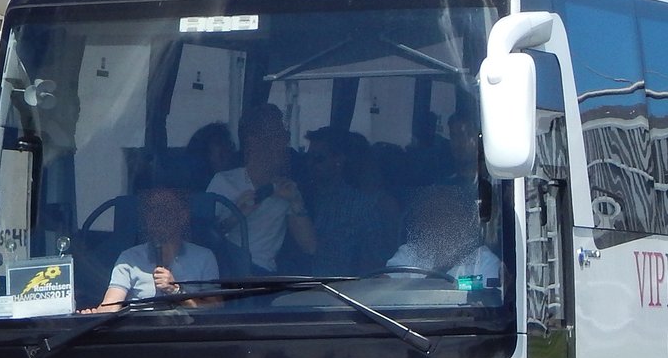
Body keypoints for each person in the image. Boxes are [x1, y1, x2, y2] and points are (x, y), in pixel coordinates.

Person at [206, 103, 316, 273]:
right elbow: (204, 238)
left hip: (264, 277)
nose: (284, 143)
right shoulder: (224, 181)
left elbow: (310, 247)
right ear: (253, 141)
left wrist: (296, 202)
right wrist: (237, 215)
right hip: (228, 274)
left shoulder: (286, 189)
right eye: (277, 136)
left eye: (285, 136)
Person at [83, 186, 219, 312]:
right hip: (139, 329)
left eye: (166, 209)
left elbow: (215, 306)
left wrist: (176, 291)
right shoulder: (129, 259)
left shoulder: (204, 257)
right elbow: (111, 304)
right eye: (153, 210)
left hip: (191, 329)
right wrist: (94, 316)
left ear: (183, 215)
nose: (158, 216)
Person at [303, 127, 389, 275]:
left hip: (339, 286)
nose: (310, 164)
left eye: (318, 158)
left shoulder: (361, 206)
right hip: (287, 284)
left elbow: (372, 261)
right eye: (307, 158)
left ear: (339, 160)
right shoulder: (296, 196)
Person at [385, 184, 501, 285]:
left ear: (465, 219)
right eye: (434, 213)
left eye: (449, 213)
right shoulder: (409, 254)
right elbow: (386, 286)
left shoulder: (484, 260)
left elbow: (488, 299)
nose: (441, 220)